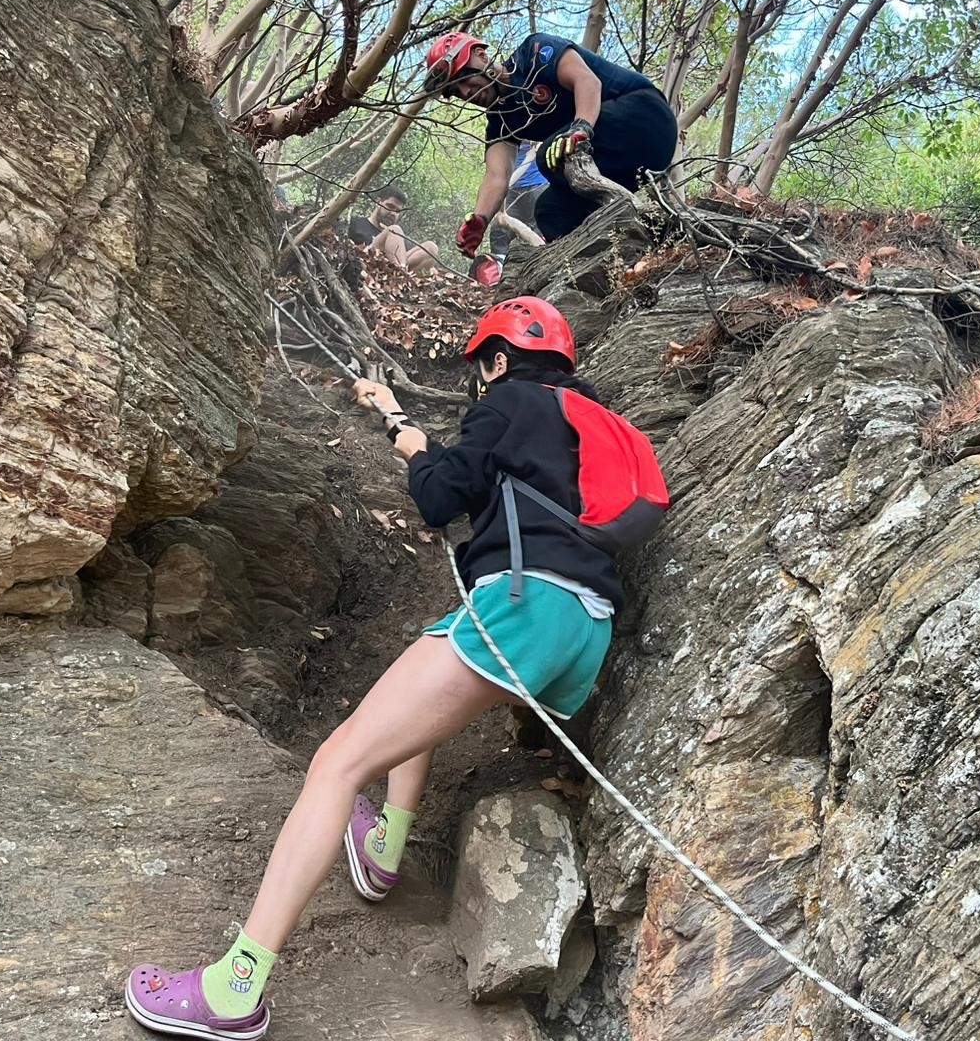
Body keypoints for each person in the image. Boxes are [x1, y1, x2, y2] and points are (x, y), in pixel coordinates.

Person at [123, 298, 623, 1041]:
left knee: (334, 764)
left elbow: (437, 498)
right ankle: (384, 849)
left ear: (496, 360)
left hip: (523, 606)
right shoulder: (599, 424)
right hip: (587, 629)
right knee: (421, 678)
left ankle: (236, 987)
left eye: (482, 369)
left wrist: (411, 442)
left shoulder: (510, 400)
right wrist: (405, 425)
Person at [424, 31, 678, 260]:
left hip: (648, 117)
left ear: (481, 55)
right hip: (628, 167)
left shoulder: (535, 53)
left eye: (464, 79)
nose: (466, 93)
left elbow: (587, 82)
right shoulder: (500, 120)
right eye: (456, 91)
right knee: (550, 214)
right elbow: (496, 176)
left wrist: (581, 128)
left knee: (550, 154)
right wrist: (479, 221)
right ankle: (618, 263)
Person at [469, 141, 548, 287]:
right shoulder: (507, 133)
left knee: (542, 224)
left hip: (540, 184)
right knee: (499, 230)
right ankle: (496, 274)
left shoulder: (541, 126)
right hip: (512, 187)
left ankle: (541, 271)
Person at [348, 185, 440, 273]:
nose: (393, 213)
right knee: (394, 230)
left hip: (391, 277)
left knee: (431, 248)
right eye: (390, 206)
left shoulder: (402, 241)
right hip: (364, 268)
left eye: (397, 211)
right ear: (378, 202)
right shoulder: (355, 223)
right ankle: (401, 273)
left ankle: (400, 277)